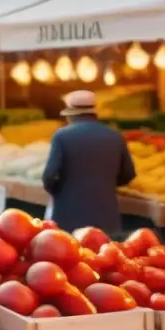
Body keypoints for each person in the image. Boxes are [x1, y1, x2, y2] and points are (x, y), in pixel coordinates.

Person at [43, 90, 136, 233]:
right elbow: (128, 174)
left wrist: (61, 192)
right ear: (94, 114)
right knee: (104, 252)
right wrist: (105, 186)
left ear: (70, 115)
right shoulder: (115, 136)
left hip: (68, 215)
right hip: (106, 216)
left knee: (70, 253)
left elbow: (49, 176)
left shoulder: (61, 136)